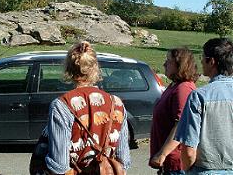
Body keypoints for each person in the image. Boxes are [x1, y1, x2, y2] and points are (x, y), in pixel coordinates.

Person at [45, 41, 131, 174]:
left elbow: (60, 166)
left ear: (68, 68)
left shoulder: (62, 105)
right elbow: (123, 161)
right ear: (95, 68)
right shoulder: (117, 103)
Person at [175, 38, 233, 174]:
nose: (200, 61)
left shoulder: (199, 96)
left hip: (206, 170)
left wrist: (188, 170)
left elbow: (189, 150)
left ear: (212, 61)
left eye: (202, 57)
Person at [149, 48, 198, 175]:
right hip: (169, 163)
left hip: (176, 164)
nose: (164, 64)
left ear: (179, 65)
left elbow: (182, 124)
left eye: (168, 61)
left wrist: (162, 154)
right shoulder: (174, 86)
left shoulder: (184, 88)